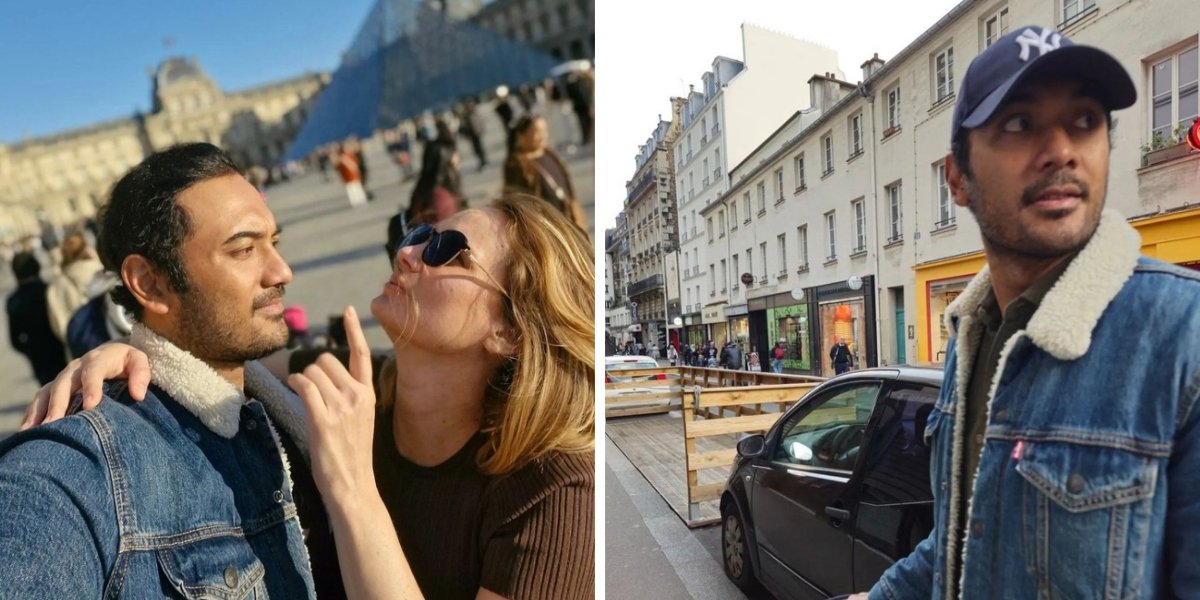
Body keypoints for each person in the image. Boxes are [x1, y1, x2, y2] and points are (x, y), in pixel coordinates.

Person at [30, 193, 596, 599]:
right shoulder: (356, 384)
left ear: (510, 330)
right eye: (419, 233)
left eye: (447, 249)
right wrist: (130, 352)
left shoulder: (556, 487)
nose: (406, 252)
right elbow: (214, 354)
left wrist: (351, 487)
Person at [850, 26, 1200, 600]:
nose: (1062, 149)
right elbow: (963, 542)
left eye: (1085, 120)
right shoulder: (975, 333)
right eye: (1019, 123)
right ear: (957, 179)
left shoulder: (1183, 335)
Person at [0, 143, 319, 597]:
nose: (282, 271)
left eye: (274, 242)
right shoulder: (75, 471)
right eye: (244, 249)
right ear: (150, 283)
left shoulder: (300, 411)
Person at [503, 115, 587, 230]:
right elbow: (519, 200)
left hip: (567, 220)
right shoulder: (517, 165)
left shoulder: (549, 154)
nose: (543, 136)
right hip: (546, 228)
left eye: (545, 131)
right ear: (521, 136)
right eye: (537, 132)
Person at [385, 141, 467, 259]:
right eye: (453, 152)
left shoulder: (426, 183)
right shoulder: (441, 195)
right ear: (445, 157)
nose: (457, 155)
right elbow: (447, 230)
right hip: (444, 255)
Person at [6, 251, 68, 385]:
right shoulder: (50, 290)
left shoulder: (13, 300)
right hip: (60, 351)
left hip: (39, 358)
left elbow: (15, 340)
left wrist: (30, 350)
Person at [45, 231, 104, 348]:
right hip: (115, 342)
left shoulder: (55, 287)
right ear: (85, 248)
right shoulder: (99, 271)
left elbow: (58, 325)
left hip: (82, 350)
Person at [335, 141, 368, 208]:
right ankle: (357, 200)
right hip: (349, 176)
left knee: (356, 189)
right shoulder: (345, 157)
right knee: (353, 189)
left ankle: (358, 200)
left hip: (351, 176)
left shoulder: (346, 156)